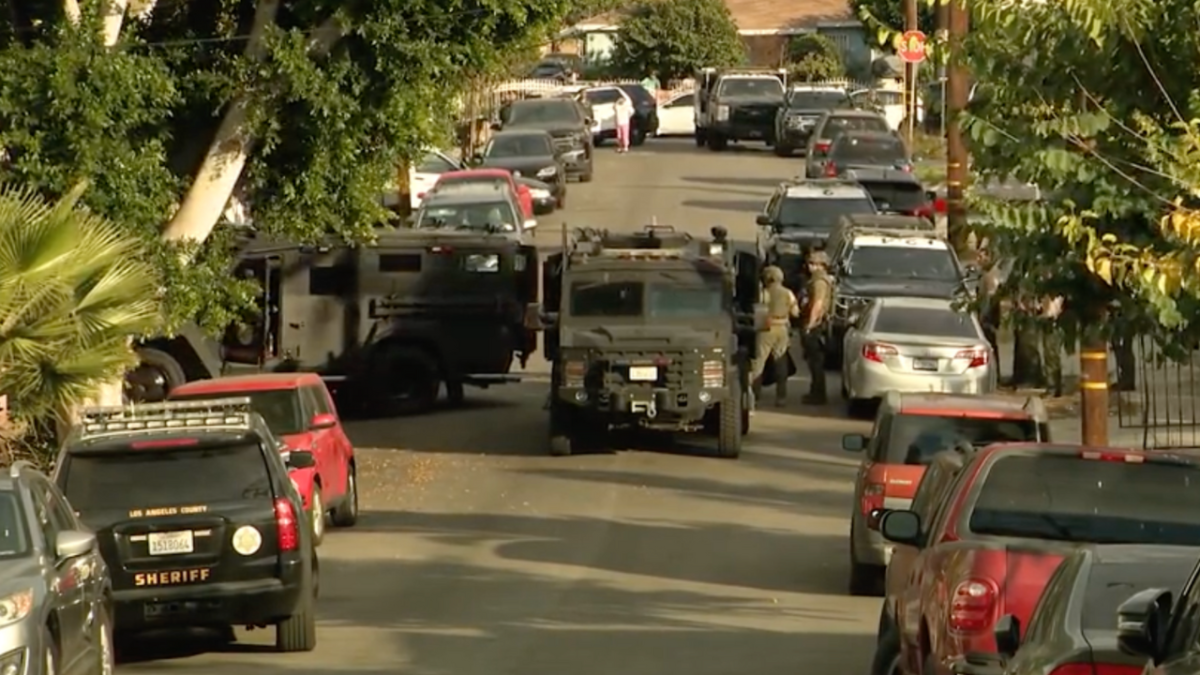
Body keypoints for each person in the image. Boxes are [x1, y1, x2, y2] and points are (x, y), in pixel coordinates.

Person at [750, 265, 799, 407]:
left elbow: (756, 309)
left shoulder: (763, 293)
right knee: (781, 362)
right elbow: (795, 312)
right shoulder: (788, 293)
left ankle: (755, 395)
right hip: (782, 329)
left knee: (758, 363)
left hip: (765, 329)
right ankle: (781, 397)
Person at [800, 250, 834, 405]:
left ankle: (818, 394)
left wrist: (810, 324)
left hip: (816, 325)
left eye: (813, 264)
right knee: (813, 361)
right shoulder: (816, 280)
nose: (810, 266)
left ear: (822, 265)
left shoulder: (819, 282)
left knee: (816, 362)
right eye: (810, 263)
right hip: (816, 324)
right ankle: (815, 392)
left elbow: (818, 304)